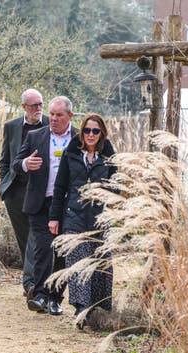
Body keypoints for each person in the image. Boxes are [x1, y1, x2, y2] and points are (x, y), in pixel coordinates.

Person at [48, 113, 116, 329]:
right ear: (82, 132)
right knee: (77, 264)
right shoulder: (71, 154)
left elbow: (117, 188)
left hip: (99, 219)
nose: (90, 135)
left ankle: (97, 310)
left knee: (99, 265)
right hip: (74, 217)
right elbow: (60, 187)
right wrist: (54, 217)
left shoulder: (108, 156)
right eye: (87, 130)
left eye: (95, 131)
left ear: (101, 133)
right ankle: (81, 309)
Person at [12, 96, 77, 315]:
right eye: (52, 114)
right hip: (41, 201)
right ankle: (39, 295)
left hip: (68, 205)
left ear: (70, 116)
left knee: (62, 252)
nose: (54, 119)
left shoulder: (80, 137)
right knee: (42, 249)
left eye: (59, 115)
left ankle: (55, 298)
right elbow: (15, 165)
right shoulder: (35, 136)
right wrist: (25, 164)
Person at [0, 88, 50, 299]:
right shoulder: (11, 127)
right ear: (23, 107)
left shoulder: (50, 123)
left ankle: (32, 283)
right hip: (16, 191)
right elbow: (5, 159)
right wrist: (4, 183)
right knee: (24, 238)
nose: (38, 109)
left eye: (40, 104)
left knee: (37, 238)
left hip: (41, 190)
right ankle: (31, 282)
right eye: (33, 106)